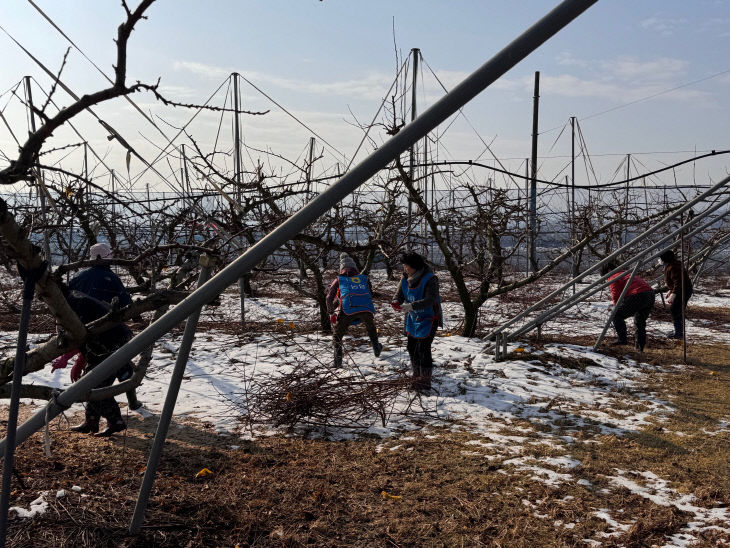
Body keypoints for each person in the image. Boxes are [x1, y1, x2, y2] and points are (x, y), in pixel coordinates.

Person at [66, 242, 133, 437]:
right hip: (112, 336)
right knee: (96, 380)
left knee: (93, 379)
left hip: (90, 336)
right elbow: (126, 305)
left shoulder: (78, 278)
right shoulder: (111, 278)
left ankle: (97, 420)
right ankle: (106, 420)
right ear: (107, 257)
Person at [391, 251, 442, 393]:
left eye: (406, 266)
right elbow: (399, 294)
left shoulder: (430, 279)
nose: (404, 268)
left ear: (414, 266)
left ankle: (425, 383)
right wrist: (396, 301)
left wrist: (411, 306)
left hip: (429, 318)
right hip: (413, 319)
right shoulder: (405, 278)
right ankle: (416, 377)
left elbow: (430, 300)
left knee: (423, 349)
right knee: (411, 347)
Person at [325, 253, 383, 367]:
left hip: (348, 310)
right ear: (355, 268)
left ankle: (337, 362)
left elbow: (328, 298)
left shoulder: (339, 279)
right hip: (367, 309)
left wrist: (331, 312)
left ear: (341, 269)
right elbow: (369, 294)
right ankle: (376, 348)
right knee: (371, 328)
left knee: (337, 336)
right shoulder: (362, 278)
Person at [601, 262, 655, 351]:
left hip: (638, 294)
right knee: (639, 321)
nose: (607, 278)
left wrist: (616, 306)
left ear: (609, 271)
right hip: (650, 294)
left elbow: (615, 293)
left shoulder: (614, 276)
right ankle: (639, 347)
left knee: (616, 315)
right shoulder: (627, 273)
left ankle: (622, 339)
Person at [659, 249, 693, 339]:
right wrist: (671, 290)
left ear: (665, 259)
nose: (659, 260)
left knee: (675, 310)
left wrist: (674, 294)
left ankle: (678, 334)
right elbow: (674, 282)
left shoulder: (674, 267)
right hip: (682, 290)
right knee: (677, 310)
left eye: (661, 258)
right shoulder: (671, 265)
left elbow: (678, 282)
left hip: (683, 291)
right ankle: (678, 332)